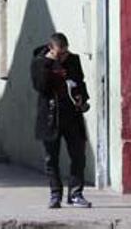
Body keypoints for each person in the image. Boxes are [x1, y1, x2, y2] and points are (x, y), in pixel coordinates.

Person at [31, 32, 91, 209]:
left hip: (72, 116)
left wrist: (82, 98)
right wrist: (49, 63)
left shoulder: (73, 60)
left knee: (78, 155)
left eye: (65, 52)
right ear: (51, 49)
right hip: (51, 116)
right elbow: (40, 86)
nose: (63, 56)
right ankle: (55, 195)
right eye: (60, 53)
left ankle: (76, 194)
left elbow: (80, 82)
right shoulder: (39, 62)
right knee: (51, 159)